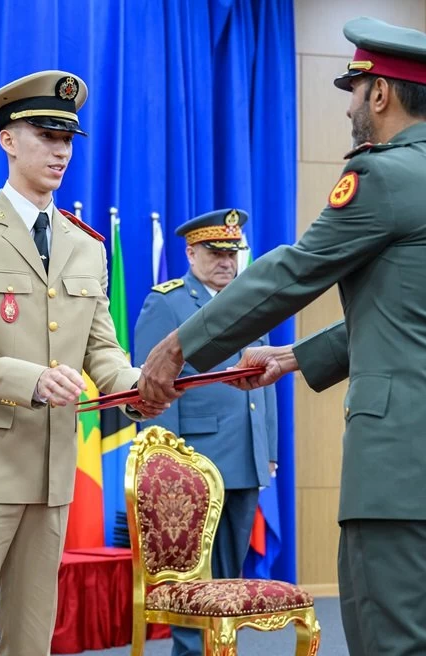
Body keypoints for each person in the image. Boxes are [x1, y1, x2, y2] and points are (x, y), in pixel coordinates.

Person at [137, 17, 426, 656]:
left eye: (354, 90)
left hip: (410, 479)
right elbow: (415, 322)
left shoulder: (385, 177)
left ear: (380, 94)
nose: (350, 106)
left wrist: (178, 347)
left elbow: (289, 274)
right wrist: (294, 357)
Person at [0, 70, 164, 656]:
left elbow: (102, 351)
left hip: (51, 473)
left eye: (67, 140)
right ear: (7, 140)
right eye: (46, 136)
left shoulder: (86, 245)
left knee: (33, 639)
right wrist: (34, 380)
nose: (61, 152)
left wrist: (140, 386)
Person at [134, 208, 278, 656]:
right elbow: (153, 387)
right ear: (190, 251)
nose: (226, 262)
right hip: (193, 462)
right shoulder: (169, 302)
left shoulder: (250, 300)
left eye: (232, 252)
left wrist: (267, 447)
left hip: (245, 458)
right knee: (193, 575)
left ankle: (221, 649)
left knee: (230, 575)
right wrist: (167, 462)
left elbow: (264, 378)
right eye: (215, 252)